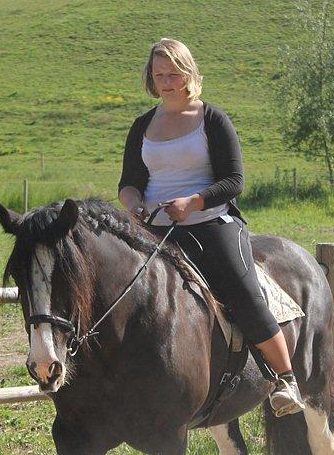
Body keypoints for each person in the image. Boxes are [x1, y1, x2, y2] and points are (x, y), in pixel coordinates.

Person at [118, 37, 305, 417]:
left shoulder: (212, 119)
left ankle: (286, 379)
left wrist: (194, 201)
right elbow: (129, 183)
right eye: (159, 75)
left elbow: (234, 180)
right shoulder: (142, 125)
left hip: (211, 221)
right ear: (150, 79)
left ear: (188, 74)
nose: (167, 81)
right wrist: (135, 205)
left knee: (241, 288)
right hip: (154, 227)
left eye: (173, 73)